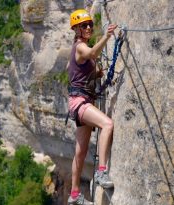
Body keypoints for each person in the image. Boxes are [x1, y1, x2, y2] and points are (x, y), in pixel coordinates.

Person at [67, 9, 117, 205]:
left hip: (79, 102)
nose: (88, 28)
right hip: (81, 103)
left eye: (90, 25)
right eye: (83, 26)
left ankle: (74, 195)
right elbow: (92, 53)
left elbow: (75, 68)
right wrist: (106, 36)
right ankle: (102, 172)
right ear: (77, 30)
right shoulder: (80, 47)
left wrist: (95, 74)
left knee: (80, 151)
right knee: (107, 124)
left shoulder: (80, 49)